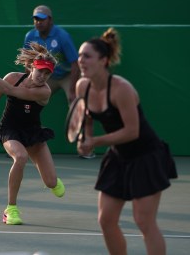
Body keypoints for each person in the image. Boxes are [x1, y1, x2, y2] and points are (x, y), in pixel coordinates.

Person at [76, 28, 178, 254]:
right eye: (80, 55)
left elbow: (132, 131)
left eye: (87, 56)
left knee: (144, 222)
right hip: (119, 157)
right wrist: (85, 135)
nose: (80, 60)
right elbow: (87, 116)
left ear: (103, 61)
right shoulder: (82, 86)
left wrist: (95, 141)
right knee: (106, 220)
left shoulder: (121, 88)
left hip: (146, 156)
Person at [0, 42, 65, 225]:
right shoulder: (12, 77)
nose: (43, 76)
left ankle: (52, 182)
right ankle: (10, 209)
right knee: (20, 157)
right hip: (9, 130)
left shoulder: (44, 91)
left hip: (33, 133)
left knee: (52, 182)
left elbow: (10, 91)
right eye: (41, 71)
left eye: (48, 73)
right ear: (31, 67)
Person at [25, 5, 95, 159]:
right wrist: (28, 83)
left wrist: (71, 89)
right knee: (26, 99)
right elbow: (27, 62)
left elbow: (75, 63)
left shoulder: (62, 36)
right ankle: (23, 142)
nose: (38, 22)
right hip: (45, 76)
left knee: (77, 103)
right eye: (36, 19)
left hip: (66, 76)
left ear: (50, 20)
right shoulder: (30, 36)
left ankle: (86, 146)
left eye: (42, 19)